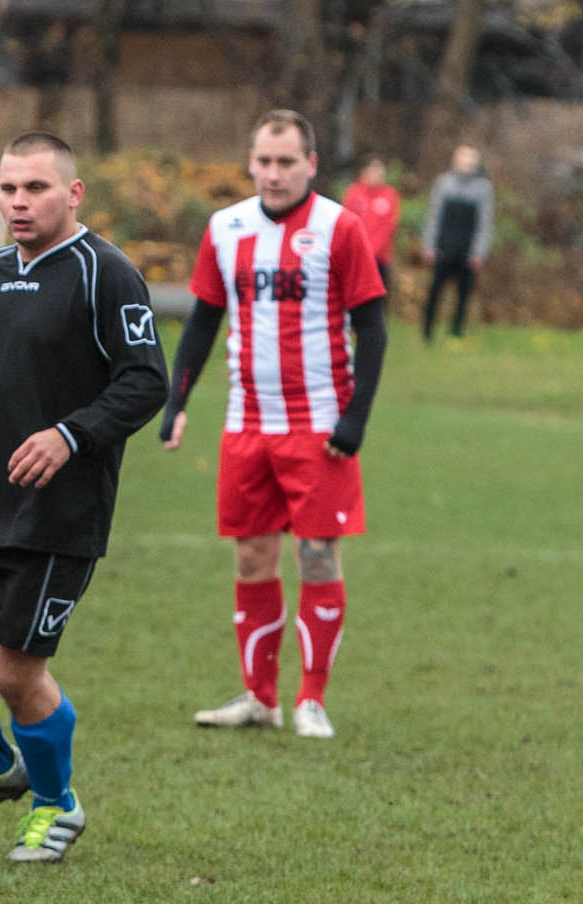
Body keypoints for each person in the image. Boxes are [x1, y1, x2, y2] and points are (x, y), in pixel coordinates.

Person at [0, 133, 167, 863]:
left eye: (36, 188)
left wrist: (69, 436)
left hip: (56, 516)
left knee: (15, 670)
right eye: (8, 187)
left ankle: (56, 804)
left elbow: (145, 381)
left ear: (73, 193)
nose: (18, 201)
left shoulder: (104, 273)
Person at [160, 109, 388, 740]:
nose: (274, 172)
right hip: (246, 425)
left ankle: (311, 699)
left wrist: (356, 418)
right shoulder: (225, 228)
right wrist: (176, 402)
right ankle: (259, 697)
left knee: (317, 555)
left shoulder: (340, 228)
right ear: (251, 161)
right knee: (253, 556)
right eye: (263, 160)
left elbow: (372, 328)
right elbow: (203, 321)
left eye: (287, 161)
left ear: (311, 164)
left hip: (319, 426)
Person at [421, 144, 494, 340]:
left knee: (463, 295)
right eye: (462, 160)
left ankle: (456, 332)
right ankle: (427, 332)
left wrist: (478, 252)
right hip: (443, 248)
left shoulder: (483, 188)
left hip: (467, 249)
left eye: (470, 161)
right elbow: (434, 216)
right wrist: (429, 244)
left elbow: (484, 222)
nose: (465, 165)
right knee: (435, 292)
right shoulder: (444, 183)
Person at [342, 156, 400, 290]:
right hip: (356, 255)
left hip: (380, 257)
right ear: (365, 172)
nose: (376, 175)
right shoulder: (354, 192)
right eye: (373, 170)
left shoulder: (390, 195)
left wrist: (372, 251)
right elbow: (348, 223)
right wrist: (360, 249)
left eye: (379, 172)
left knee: (378, 293)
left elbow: (389, 226)